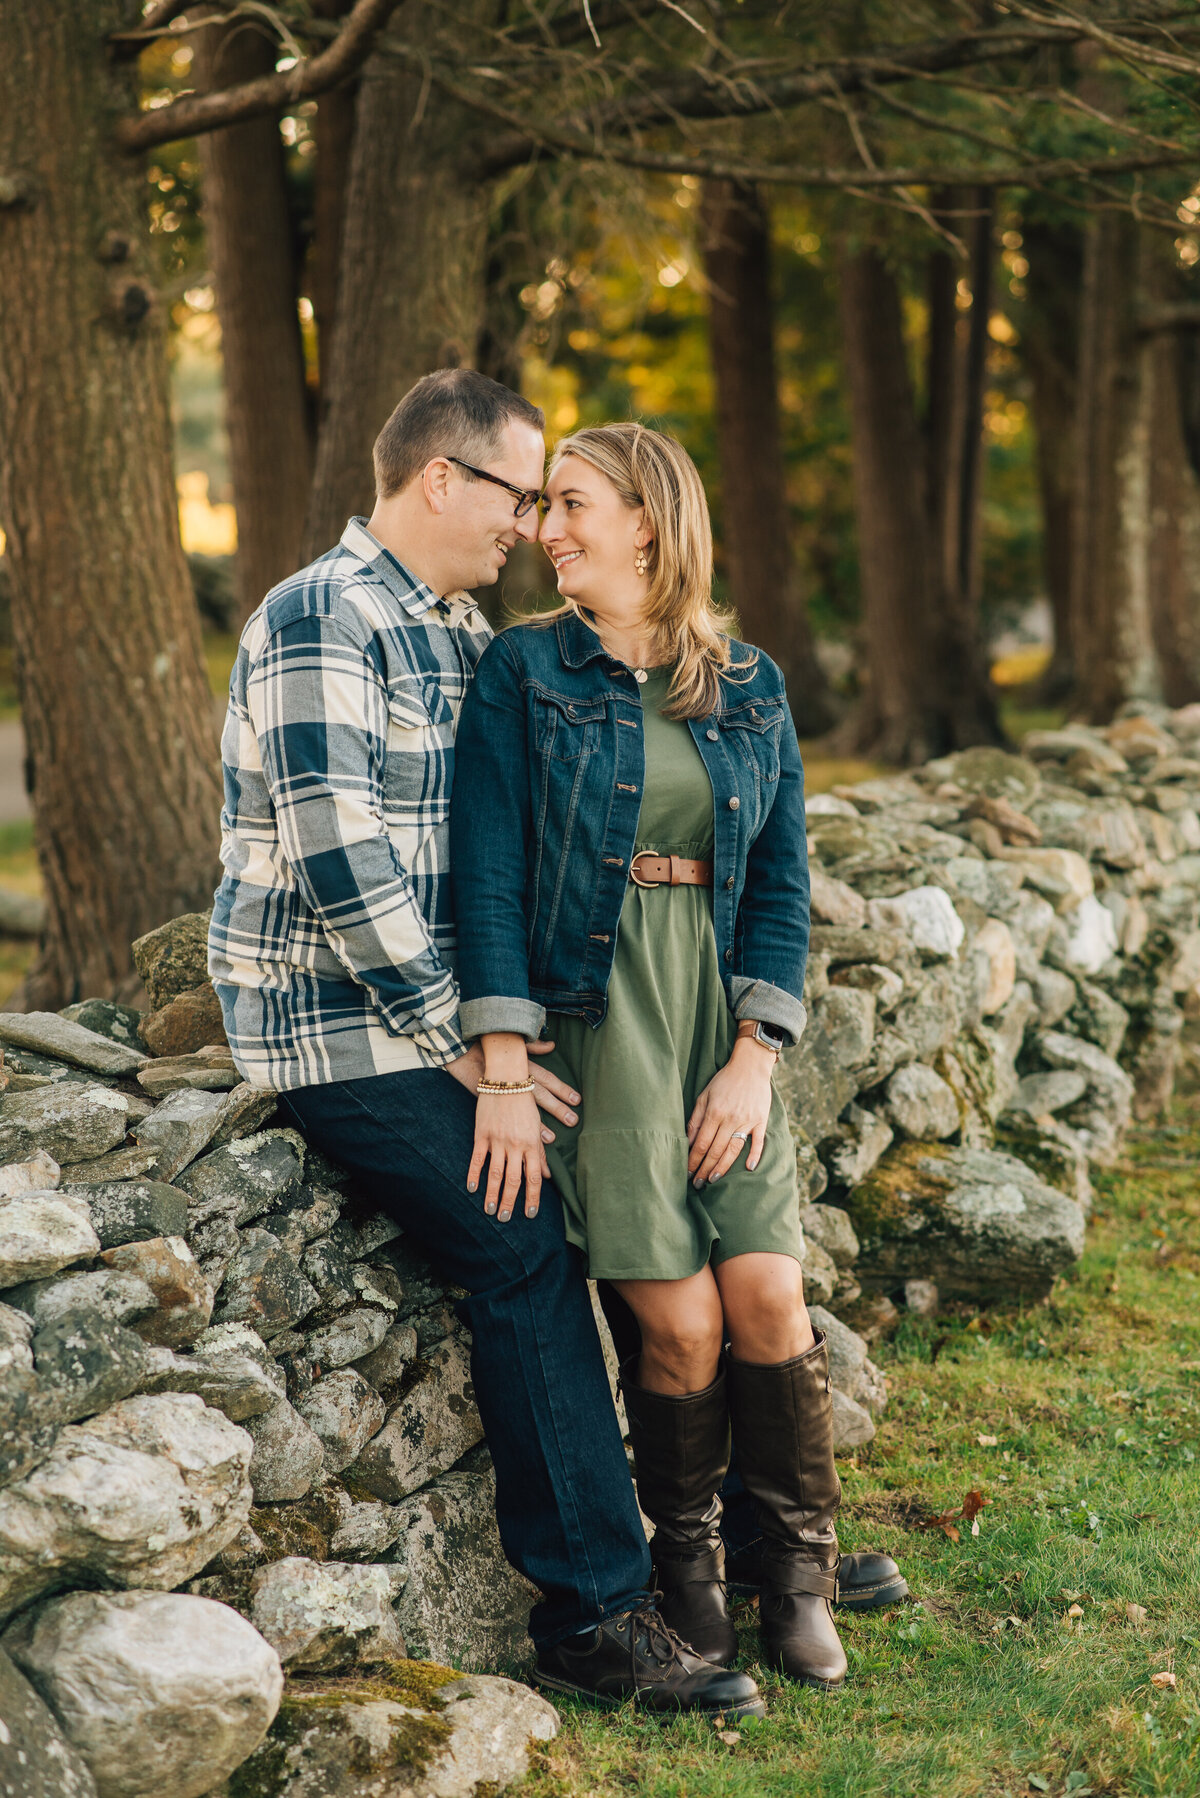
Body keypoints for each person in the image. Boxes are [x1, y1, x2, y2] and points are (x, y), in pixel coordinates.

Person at [208, 370, 764, 1723]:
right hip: (337, 1027)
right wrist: (474, 1053)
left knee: (630, 1193)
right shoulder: (321, 616)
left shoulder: (457, 631)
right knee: (519, 1229)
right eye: (520, 494)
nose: (530, 524)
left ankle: (744, 1544)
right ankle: (592, 1612)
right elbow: (343, 864)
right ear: (441, 479)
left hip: (451, 1023)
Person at [452, 421, 902, 1689]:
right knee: (685, 1322)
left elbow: (780, 885)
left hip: (719, 1019)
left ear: (648, 519)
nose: (548, 527)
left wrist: (760, 1051)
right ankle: (691, 1580)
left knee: (766, 1295)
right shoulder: (524, 672)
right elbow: (485, 868)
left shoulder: (746, 681)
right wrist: (500, 1049)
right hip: (601, 1021)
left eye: (573, 503)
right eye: (544, 506)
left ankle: (797, 1575)